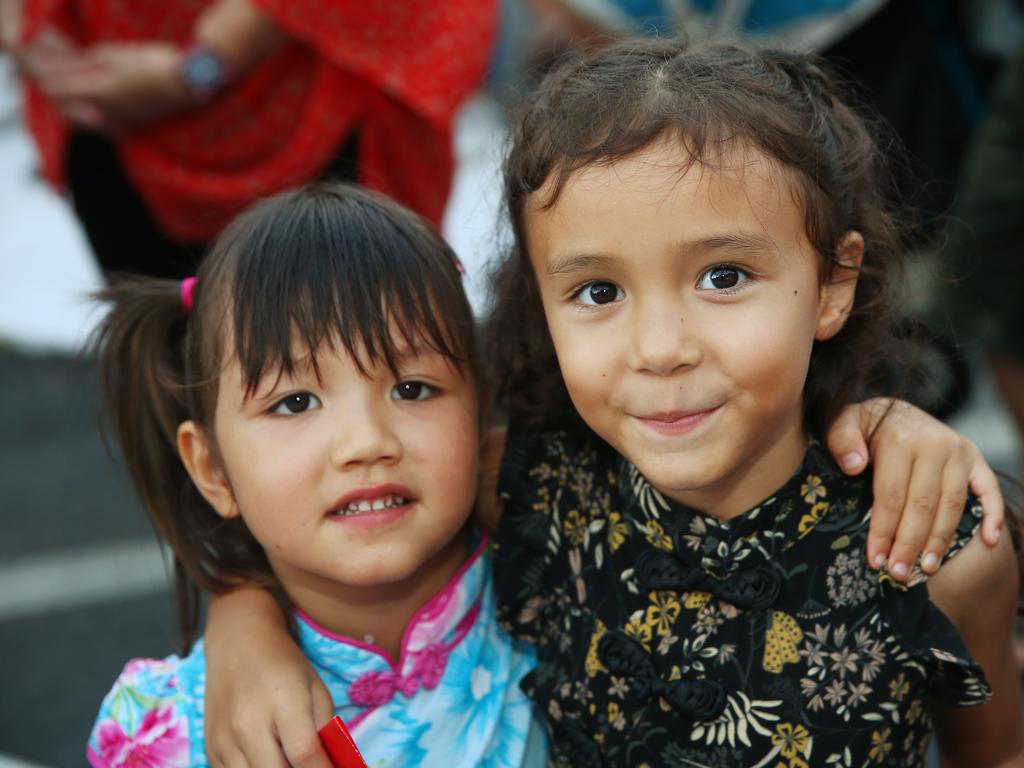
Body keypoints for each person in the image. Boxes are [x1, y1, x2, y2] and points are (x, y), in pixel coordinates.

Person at [85, 183, 547, 767]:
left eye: (413, 388)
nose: (366, 442)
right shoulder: (168, 731)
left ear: (480, 416)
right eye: (295, 402)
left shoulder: (569, 567)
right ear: (212, 470)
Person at [0, 0, 495, 278]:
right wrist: (33, 46)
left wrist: (200, 66)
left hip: (329, 79)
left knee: (359, 360)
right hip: (105, 92)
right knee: (173, 390)